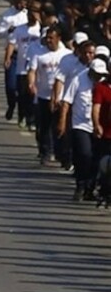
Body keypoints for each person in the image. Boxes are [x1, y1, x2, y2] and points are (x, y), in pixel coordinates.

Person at [59, 59, 106, 201]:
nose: (98, 77)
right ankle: (80, 185)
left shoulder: (103, 83)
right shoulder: (78, 79)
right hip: (81, 125)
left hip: (98, 127)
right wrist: (62, 122)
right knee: (84, 154)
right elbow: (66, 102)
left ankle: (89, 188)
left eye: (101, 75)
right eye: (96, 74)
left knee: (96, 159)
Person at [28, 25, 72, 167]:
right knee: (44, 127)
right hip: (43, 95)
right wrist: (31, 84)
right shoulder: (39, 53)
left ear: (59, 38)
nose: (48, 41)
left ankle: (63, 155)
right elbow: (32, 71)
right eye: (47, 38)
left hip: (61, 97)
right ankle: (46, 152)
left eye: (51, 38)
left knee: (60, 127)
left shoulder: (66, 55)